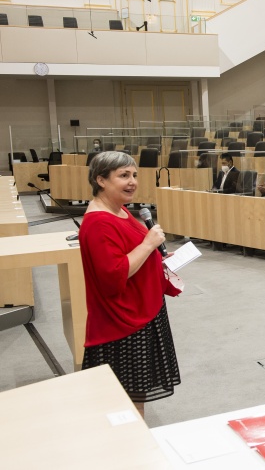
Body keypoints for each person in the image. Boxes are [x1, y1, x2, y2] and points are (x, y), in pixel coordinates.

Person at [79, 152, 181, 418]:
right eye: (123, 175)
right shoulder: (99, 222)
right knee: (125, 402)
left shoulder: (120, 209)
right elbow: (113, 275)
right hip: (123, 324)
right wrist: (148, 245)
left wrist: (155, 257)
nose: (132, 181)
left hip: (143, 312)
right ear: (101, 180)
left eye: (134, 175)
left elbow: (129, 254)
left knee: (136, 396)